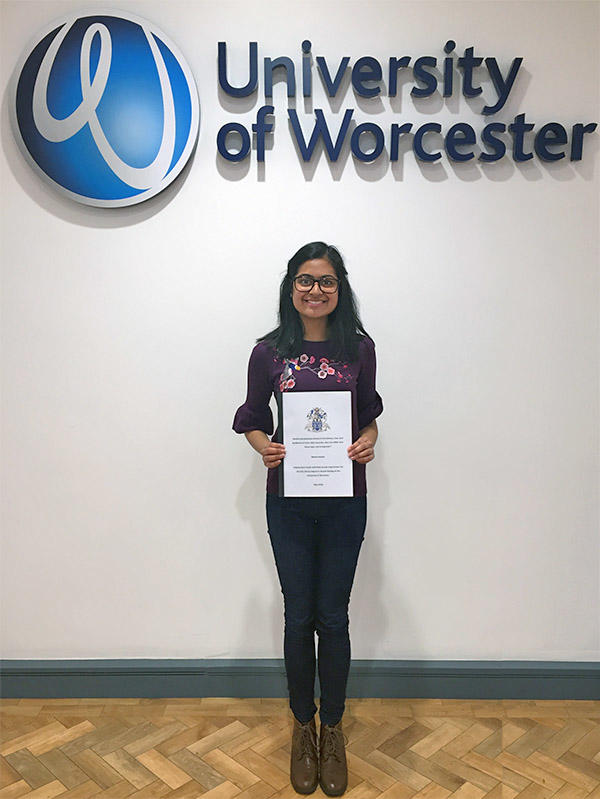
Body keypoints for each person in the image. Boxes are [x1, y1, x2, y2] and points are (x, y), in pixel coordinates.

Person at [232, 242, 383, 796]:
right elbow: (251, 416)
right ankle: (302, 727)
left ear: (339, 289)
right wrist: (263, 447)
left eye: (325, 281)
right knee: (299, 617)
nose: (314, 290)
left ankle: (334, 728)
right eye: (304, 280)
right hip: (288, 501)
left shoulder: (359, 350)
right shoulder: (268, 353)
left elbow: (368, 417)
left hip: (345, 499)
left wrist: (367, 442)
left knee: (334, 618)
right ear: (290, 288)